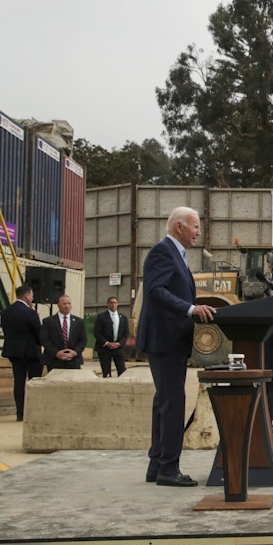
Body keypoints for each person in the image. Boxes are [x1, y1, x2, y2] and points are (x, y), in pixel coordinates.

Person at [136, 206, 217, 487]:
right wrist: (191, 309)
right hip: (165, 339)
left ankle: (157, 464)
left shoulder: (176, 255)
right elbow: (155, 292)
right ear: (179, 226)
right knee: (172, 404)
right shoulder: (162, 251)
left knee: (164, 402)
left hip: (170, 340)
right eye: (195, 227)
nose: (198, 232)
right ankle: (169, 469)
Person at [0, 284, 42, 421]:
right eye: (31, 295)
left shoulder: (6, 312)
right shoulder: (30, 313)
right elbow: (38, 333)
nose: (32, 297)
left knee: (18, 383)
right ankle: (33, 412)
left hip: (13, 352)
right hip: (31, 353)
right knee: (34, 382)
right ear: (26, 296)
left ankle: (20, 414)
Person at [41, 295, 86, 372]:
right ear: (58, 305)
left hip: (73, 360)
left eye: (69, 303)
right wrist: (56, 353)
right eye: (64, 304)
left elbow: (83, 340)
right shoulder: (48, 321)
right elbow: (44, 340)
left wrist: (74, 352)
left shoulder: (79, 322)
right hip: (54, 360)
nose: (67, 306)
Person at [92, 296, 129, 378]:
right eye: (111, 302)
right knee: (106, 372)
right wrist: (107, 343)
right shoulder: (101, 317)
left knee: (122, 370)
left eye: (115, 303)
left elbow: (126, 333)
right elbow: (97, 332)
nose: (113, 304)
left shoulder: (123, 318)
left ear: (117, 304)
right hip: (105, 349)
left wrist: (119, 343)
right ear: (107, 304)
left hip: (118, 348)